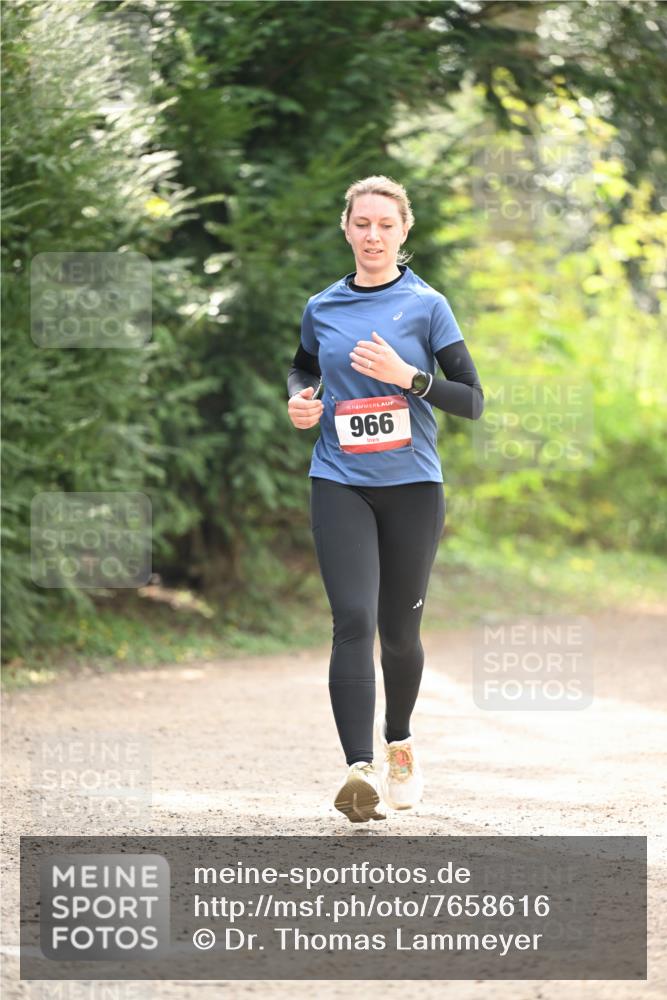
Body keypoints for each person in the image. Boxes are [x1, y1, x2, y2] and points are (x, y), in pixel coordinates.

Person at [287, 175, 484, 824]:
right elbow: (304, 367)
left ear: (404, 233)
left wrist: (410, 378)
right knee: (352, 619)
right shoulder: (322, 307)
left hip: (411, 488)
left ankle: (397, 741)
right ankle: (357, 771)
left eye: (385, 225)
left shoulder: (427, 306)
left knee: (398, 635)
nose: (372, 235)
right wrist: (300, 400)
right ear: (345, 228)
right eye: (361, 223)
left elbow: (472, 400)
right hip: (338, 479)